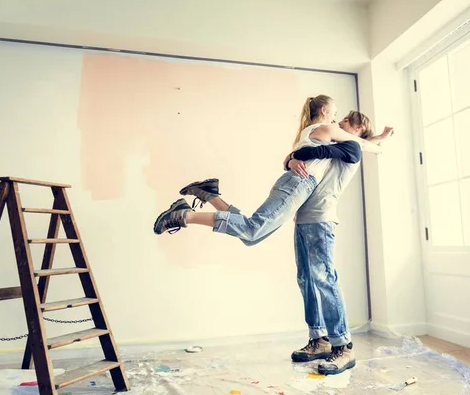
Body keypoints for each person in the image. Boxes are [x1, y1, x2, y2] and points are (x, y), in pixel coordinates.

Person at [152, 95, 383, 242]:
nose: (336, 117)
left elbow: (355, 143)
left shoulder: (320, 133)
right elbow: (361, 143)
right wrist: (381, 142)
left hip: (297, 184)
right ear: (324, 111)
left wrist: (290, 160)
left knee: (251, 236)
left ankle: (209, 193)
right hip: (299, 183)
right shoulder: (325, 128)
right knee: (253, 230)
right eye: (335, 112)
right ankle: (183, 215)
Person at [285, 111, 393, 376]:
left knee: (324, 279)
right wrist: (290, 160)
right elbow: (303, 152)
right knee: (306, 279)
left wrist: (294, 157)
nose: (338, 123)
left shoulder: (350, 147)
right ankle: (319, 340)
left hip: (321, 219)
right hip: (303, 218)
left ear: (356, 130)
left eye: (345, 121)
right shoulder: (335, 143)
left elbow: (313, 152)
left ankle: (343, 346)